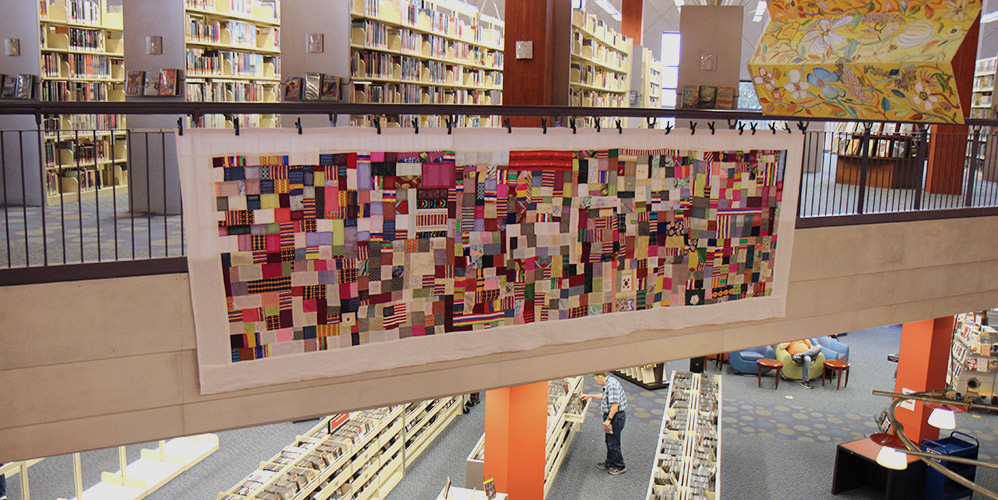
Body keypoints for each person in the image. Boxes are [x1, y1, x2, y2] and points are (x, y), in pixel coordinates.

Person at [581, 372, 628, 475]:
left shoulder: (612, 385)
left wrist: (608, 420)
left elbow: (615, 405)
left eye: (595, 379)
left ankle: (620, 465)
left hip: (615, 417)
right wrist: (590, 395)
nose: (596, 381)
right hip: (612, 417)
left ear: (600, 376)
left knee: (614, 442)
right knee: (609, 440)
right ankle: (610, 462)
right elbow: (605, 396)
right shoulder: (609, 383)